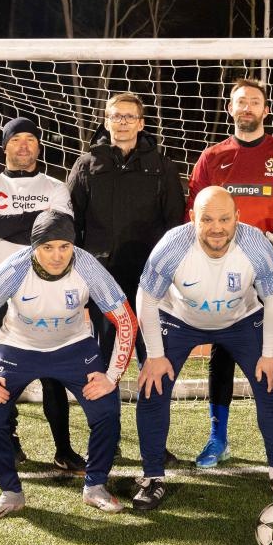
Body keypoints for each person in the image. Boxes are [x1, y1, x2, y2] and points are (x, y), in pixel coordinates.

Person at [0, 211, 137, 521]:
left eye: (64, 247)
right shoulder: (14, 268)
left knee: (107, 409)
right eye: (48, 247)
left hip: (73, 347)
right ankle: (10, 493)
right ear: (34, 247)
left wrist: (111, 377)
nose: (57, 256)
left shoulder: (87, 266)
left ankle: (95, 486)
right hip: (17, 347)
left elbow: (126, 321)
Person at [133, 187, 273, 510]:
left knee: (272, 383)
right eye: (207, 219)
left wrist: (270, 354)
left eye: (224, 219)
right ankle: (152, 476)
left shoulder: (255, 245)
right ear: (193, 218)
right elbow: (147, 298)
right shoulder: (172, 245)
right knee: (153, 387)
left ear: (237, 218)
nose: (217, 228)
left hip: (241, 319)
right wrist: (154, 355)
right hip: (180, 319)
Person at [187, 78, 273, 468]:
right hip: (223, 275)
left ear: (265, 110)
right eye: (240, 101)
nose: (247, 107)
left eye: (254, 102)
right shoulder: (212, 157)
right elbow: (192, 212)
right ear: (230, 109)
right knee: (222, 352)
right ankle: (217, 437)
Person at [0, 115, 84, 473]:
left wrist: (4, 222)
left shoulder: (56, 187)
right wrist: (37, 218)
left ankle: (64, 449)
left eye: (30, 139)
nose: (23, 146)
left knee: (53, 376)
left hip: (46, 289)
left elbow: (59, 230)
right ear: (5, 146)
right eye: (16, 139)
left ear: (39, 145)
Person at [67, 92, 186, 366]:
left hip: (150, 274)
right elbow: (72, 222)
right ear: (106, 122)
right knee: (105, 354)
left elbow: (175, 225)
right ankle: (106, 396)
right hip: (102, 274)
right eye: (116, 116)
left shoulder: (162, 167)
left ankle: (152, 395)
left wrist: (168, 269)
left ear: (141, 123)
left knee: (153, 353)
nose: (122, 122)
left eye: (129, 116)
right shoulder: (86, 165)